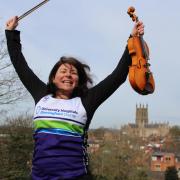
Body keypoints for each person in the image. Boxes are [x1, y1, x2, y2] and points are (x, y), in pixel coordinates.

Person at [5, 16, 144, 180]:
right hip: (38, 177)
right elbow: (20, 65)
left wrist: (132, 39)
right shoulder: (41, 95)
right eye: (63, 71)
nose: (68, 75)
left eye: (73, 73)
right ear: (53, 78)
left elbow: (117, 76)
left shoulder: (86, 101)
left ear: (79, 81)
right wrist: (11, 33)